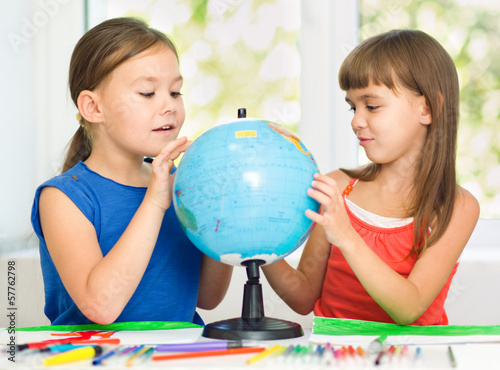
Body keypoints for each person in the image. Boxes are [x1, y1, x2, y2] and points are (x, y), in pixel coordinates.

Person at [262, 29, 479, 326]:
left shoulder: (457, 206)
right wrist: (258, 242)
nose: (356, 120)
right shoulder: (339, 188)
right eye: (353, 107)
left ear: (427, 108)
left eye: (372, 106)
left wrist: (347, 237)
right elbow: (303, 298)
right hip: (336, 356)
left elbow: (408, 307)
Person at [31, 17, 233, 326]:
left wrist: (221, 213)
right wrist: (154, 201)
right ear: (93, 108)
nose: (169, 106)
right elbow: (101, 307)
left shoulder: (182, 184)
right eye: (148, 93)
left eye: (176, 92)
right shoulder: (62, 198)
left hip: (176, 355)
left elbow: (207, 296)